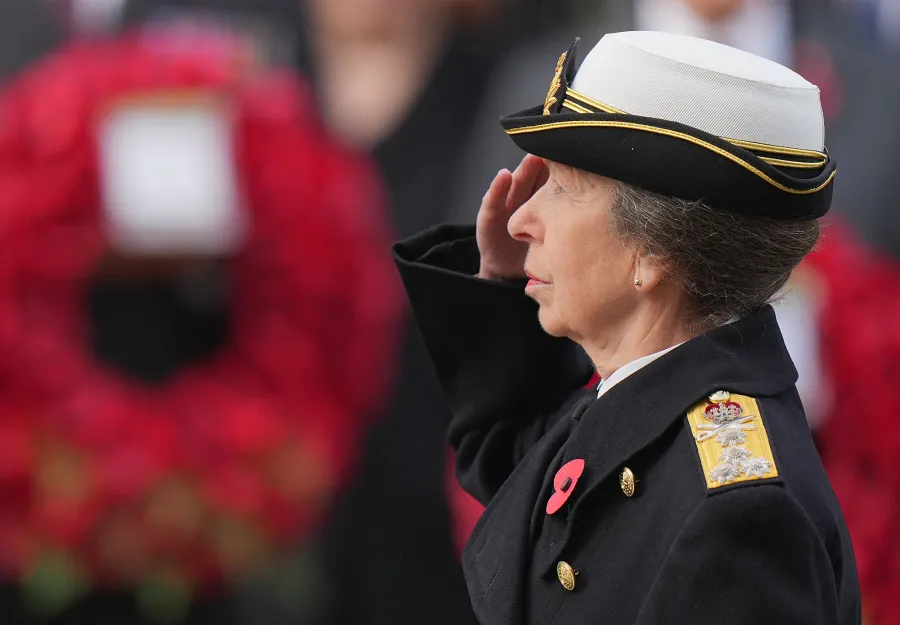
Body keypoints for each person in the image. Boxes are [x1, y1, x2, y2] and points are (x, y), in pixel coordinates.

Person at [394, 31, 860, 624]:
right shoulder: (642, 405)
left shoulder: (735, 515)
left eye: (564, 187)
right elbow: (515, 464)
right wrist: (506, 292)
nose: (521, 218)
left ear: (653, 251)